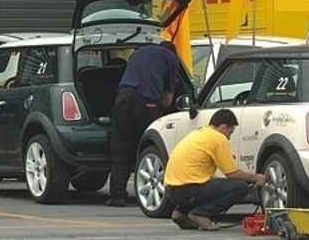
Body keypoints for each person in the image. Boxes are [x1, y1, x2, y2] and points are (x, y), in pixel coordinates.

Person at [163, 109, 267, 231]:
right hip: (188, 190)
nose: (229, 137)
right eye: (230, 132)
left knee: (214, 186)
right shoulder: (218, 138)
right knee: (240, 187)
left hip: (171, 192)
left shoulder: (200, 133)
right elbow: (232, 173)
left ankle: (181, 212)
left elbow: (201, 176)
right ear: (223, 127)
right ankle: (202, 214)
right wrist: (255, 178)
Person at [106, 41, 180, 207]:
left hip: (123, 98)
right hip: (147, 102)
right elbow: (168, 97)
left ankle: (117, 195)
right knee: (149, 147)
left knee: (121, 146)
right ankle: (149, 194)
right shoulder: (172, 59)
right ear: (173, 52)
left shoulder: (138, 53)